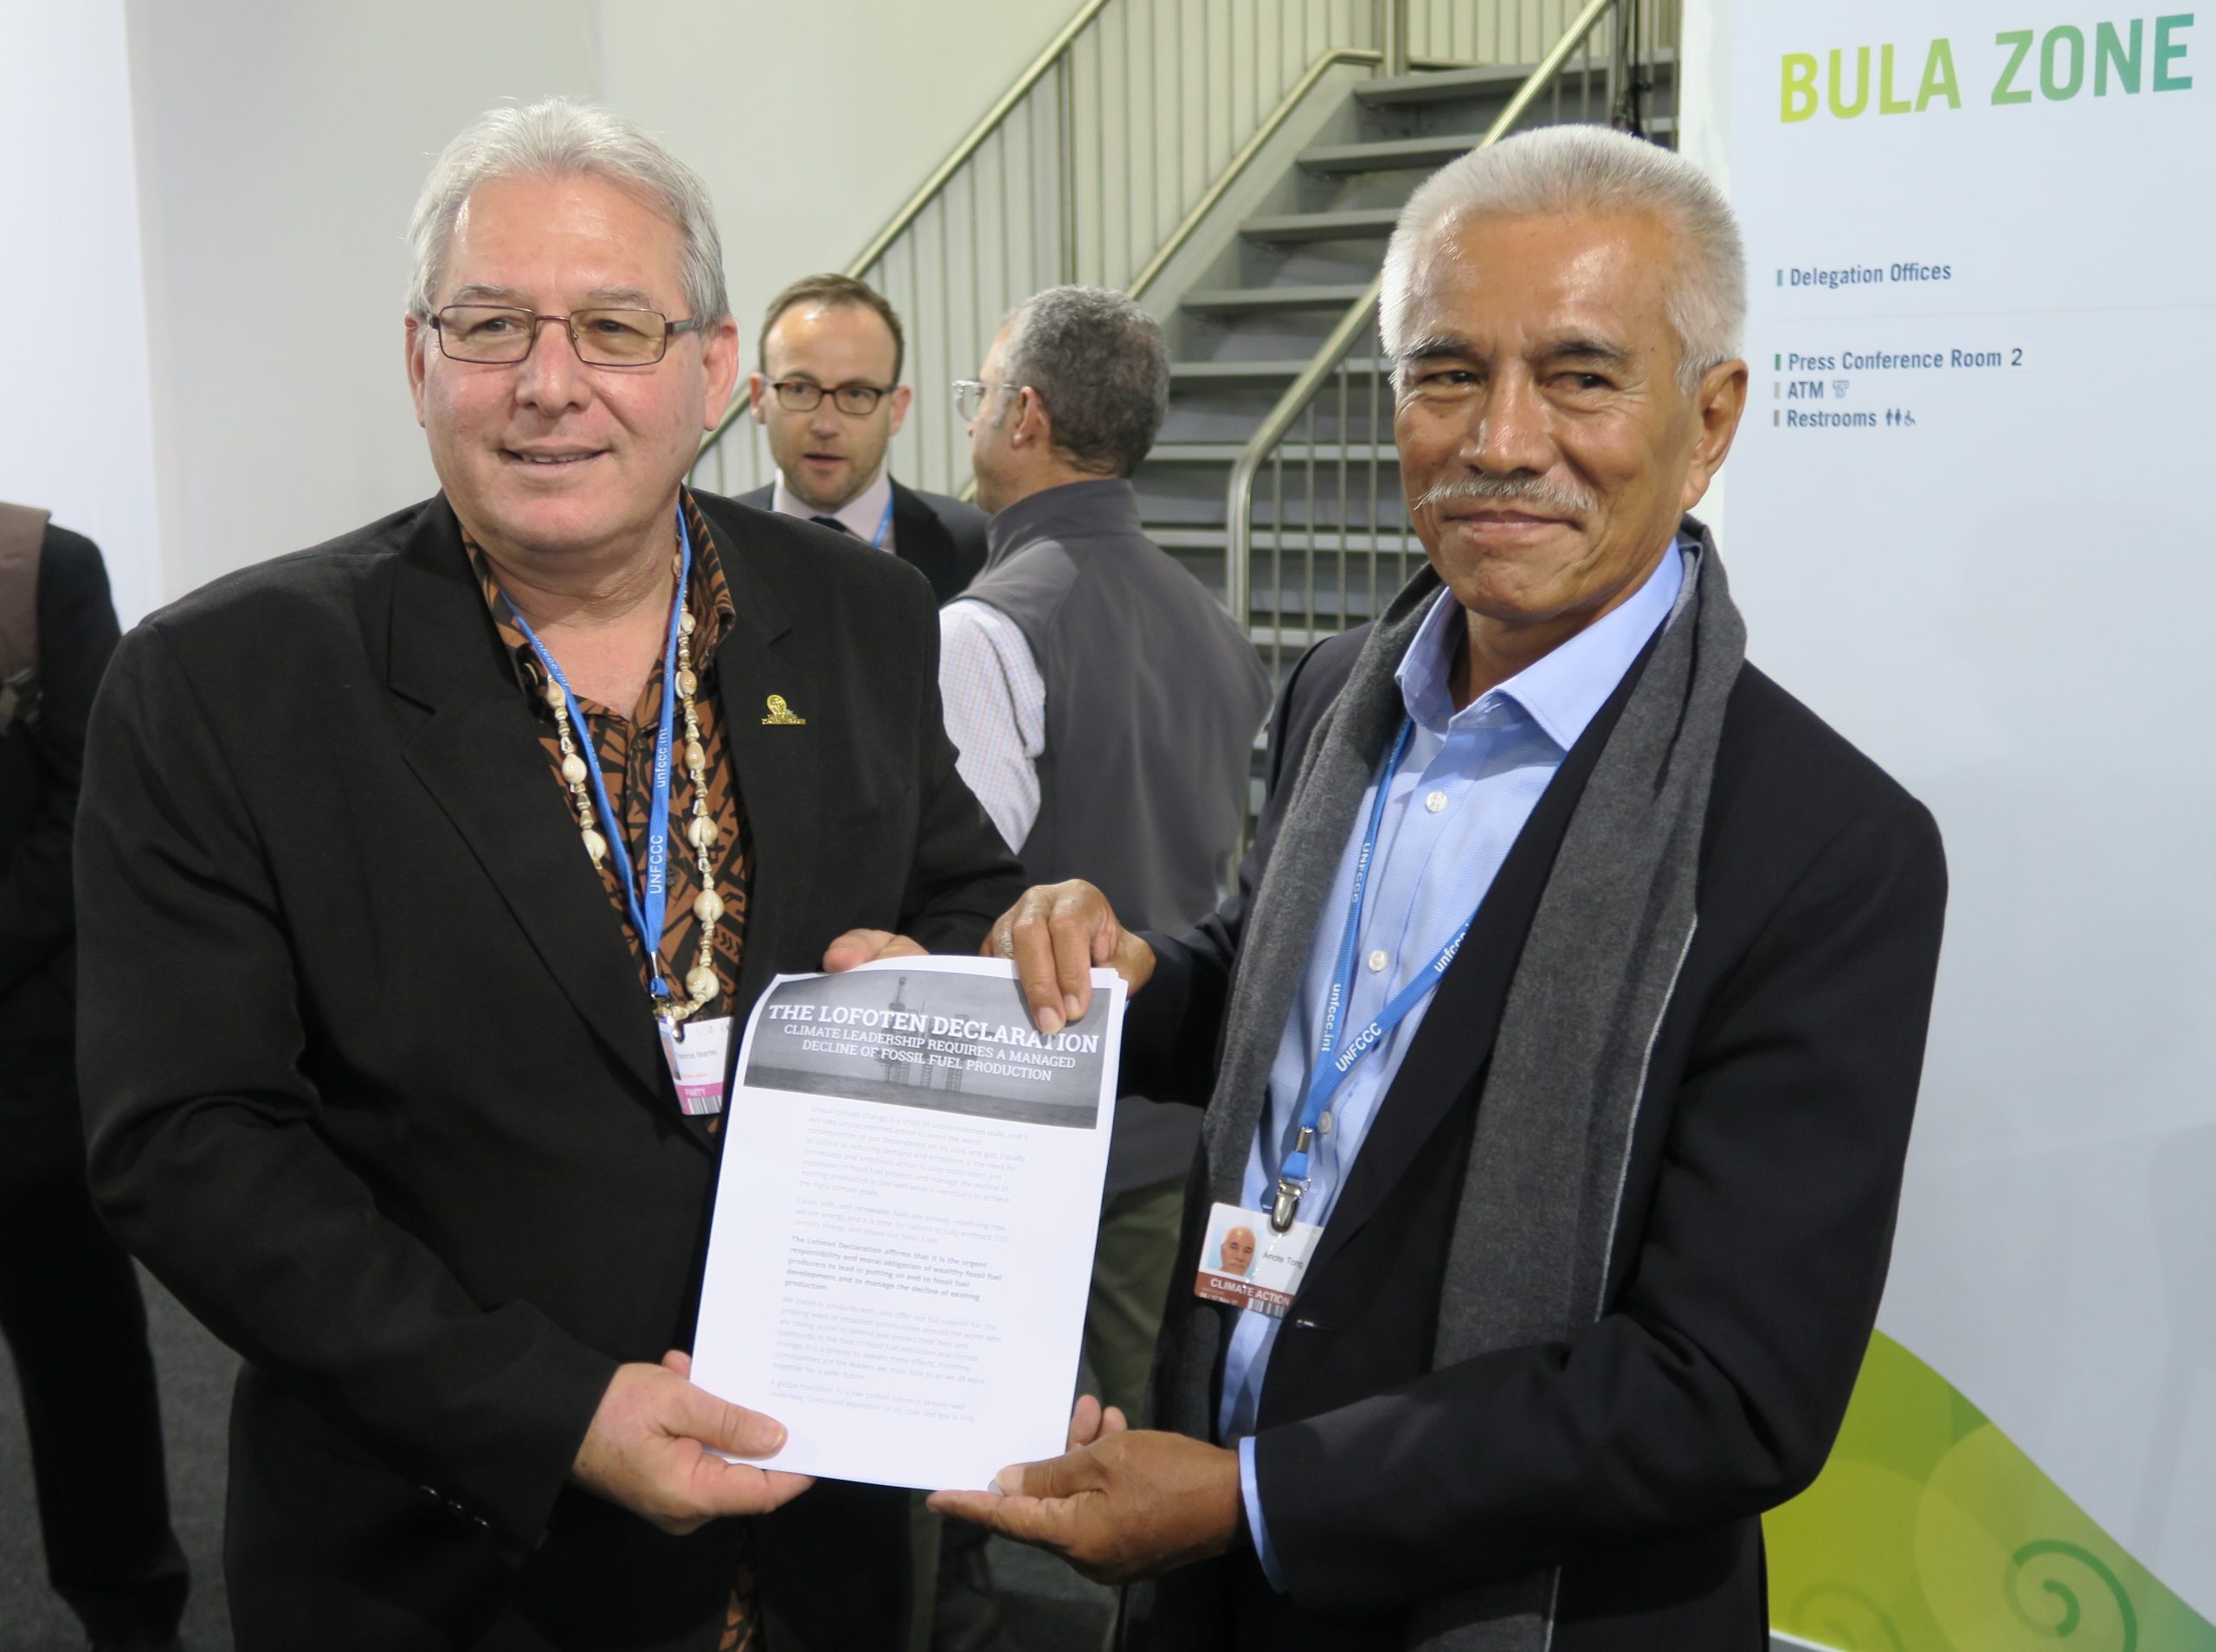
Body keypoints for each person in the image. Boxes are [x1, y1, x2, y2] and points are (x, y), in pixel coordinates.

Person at [932, 125, 1950, 1651]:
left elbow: (1726, 1388)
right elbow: (1293, 1011)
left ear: (1713, 416)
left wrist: (1256, 1494)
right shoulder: (1348, 689)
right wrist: (1134, 972)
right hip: (1210, 1576)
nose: (1502, 439)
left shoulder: (1822, 840)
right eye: (1447, 372)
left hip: (1517, 1608)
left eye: (1583, 375)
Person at [74, 99, 1019, 1652]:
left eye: (612, 326)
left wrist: (987, 963)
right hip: (446, 1553)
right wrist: (552, 1408)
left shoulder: (856, 612)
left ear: (712, 370)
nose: (550, 381)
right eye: (491, 323)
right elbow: (186, 1142)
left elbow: (955, 889)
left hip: (818, 1530)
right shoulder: (227, 682)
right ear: (418, 359)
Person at [949, 286, 1270, 1423]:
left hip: (1026, 1113)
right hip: (1169, 1116)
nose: (974, 422)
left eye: (978, 398)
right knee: (1136, 1437)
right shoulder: (1218, 628)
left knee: (981, 1438)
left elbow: (965, 903)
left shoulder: (989, 627)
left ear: (1024, 415)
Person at [0, 505, 188, 1651]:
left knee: (82, 1368)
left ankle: (131, 1615)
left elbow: (87, 809)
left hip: (24, 1060)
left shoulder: (43, 571)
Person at [739, 273, 988, 602]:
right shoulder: (709, 545)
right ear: (758, 398)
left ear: (896, 410)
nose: (825, 425)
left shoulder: (975, 547)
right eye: (799, 389)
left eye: (857, 393)